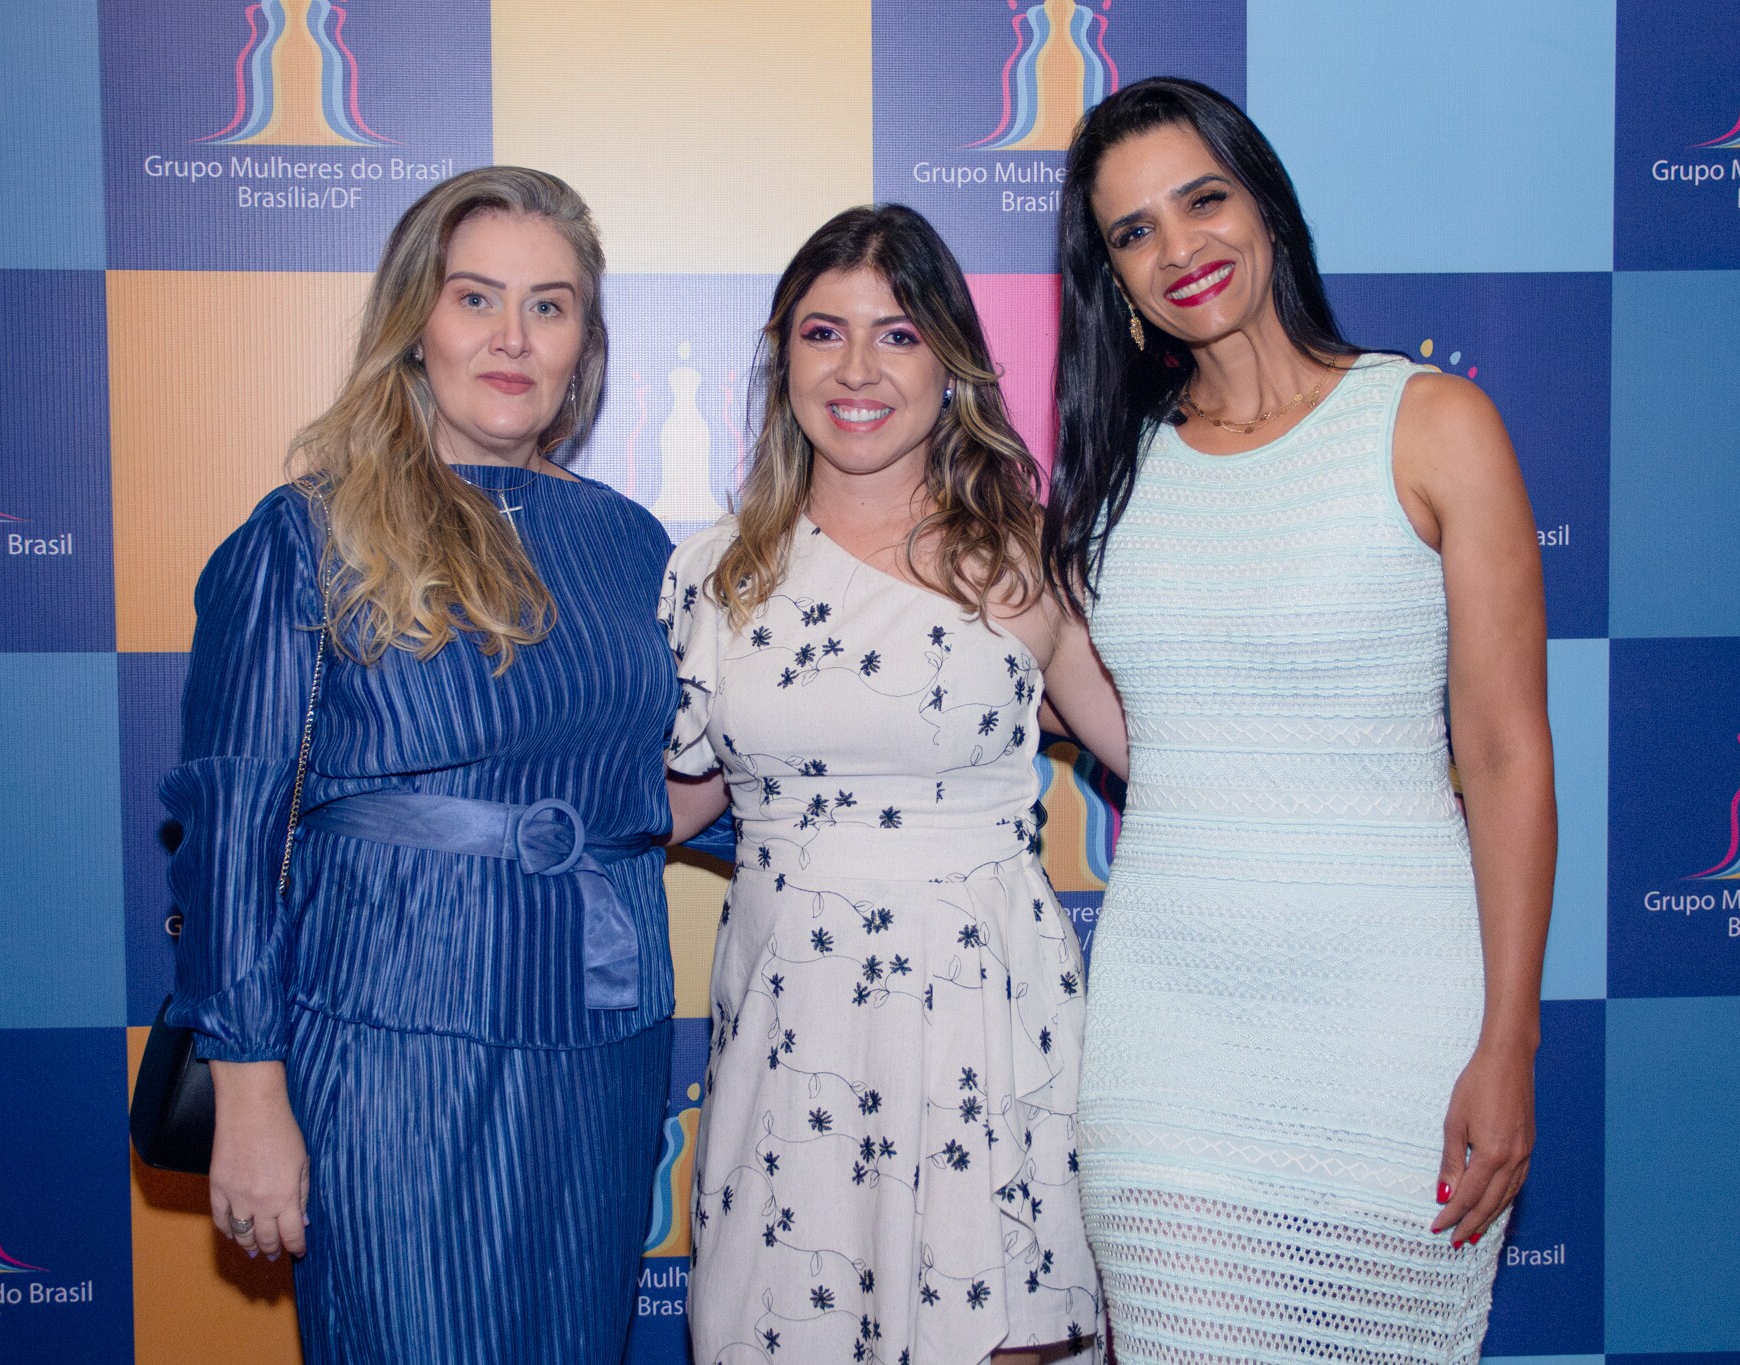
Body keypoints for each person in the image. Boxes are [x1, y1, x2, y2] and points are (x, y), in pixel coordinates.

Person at [1043, 78, 1556, 1362]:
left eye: (1201, 200)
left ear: (1264, 207)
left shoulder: (1430, 424)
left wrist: (1508, 1040)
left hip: (1396, 1024)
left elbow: (1501, 754)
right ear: (1111, 279)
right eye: (1133, 233)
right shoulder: (1112, 478)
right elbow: (1164, 747)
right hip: (1169, 1037)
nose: (1179, 250)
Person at [160, 167, 677, 1363]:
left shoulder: (627, 542)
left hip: (599, 1042)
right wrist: (247, 1089)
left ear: (584, 343)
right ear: (415, 324)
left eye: (549, 307)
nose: (512, 338)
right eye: (476, 299)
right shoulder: (304, 534)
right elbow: (231, 828)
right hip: (390, 1040)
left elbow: (658, 783)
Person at [661, 204, 1126, 1365]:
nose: (857, 369)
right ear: (783, 359)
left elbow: (1166, 762)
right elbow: (662, 808)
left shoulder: (1025, 563)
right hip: (793, 1029)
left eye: (899, 334)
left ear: (950, 364)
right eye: (824, 333)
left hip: (987, 1016)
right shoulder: (714, 575)